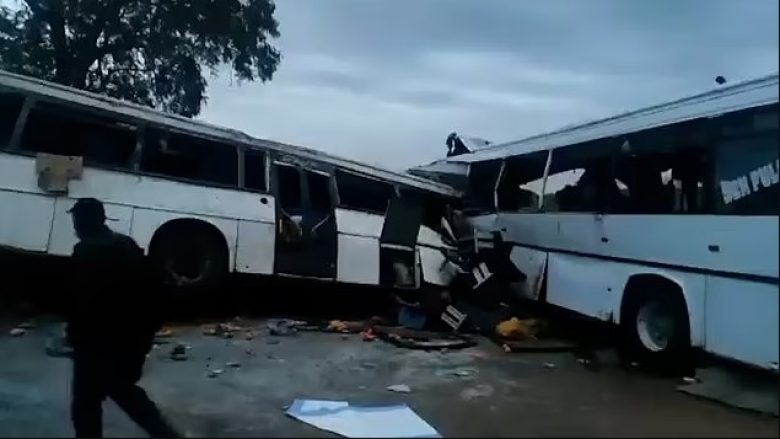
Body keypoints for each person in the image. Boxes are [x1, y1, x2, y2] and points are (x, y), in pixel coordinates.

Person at [65, 198, 180, 438]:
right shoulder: (126, 244)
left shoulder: (86, 252)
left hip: (96, 343)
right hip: (128, 341)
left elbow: (80, 304)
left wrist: (74, 337)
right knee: (125, 394)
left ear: (84, 222)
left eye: (78, 220)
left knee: (88, 405)